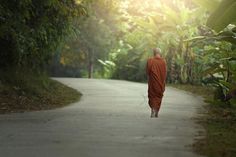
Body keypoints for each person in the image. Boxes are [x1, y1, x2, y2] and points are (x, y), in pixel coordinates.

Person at [146, 48, 167, 118]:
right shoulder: (163, 62)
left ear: (154, 53)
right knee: (158, 96)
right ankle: (156, 111)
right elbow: (165, 73)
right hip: (160, 82)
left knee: (152, 96)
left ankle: (153, 110)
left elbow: (148, 72)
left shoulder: (150, 61)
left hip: (153, 82)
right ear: (160, 53)